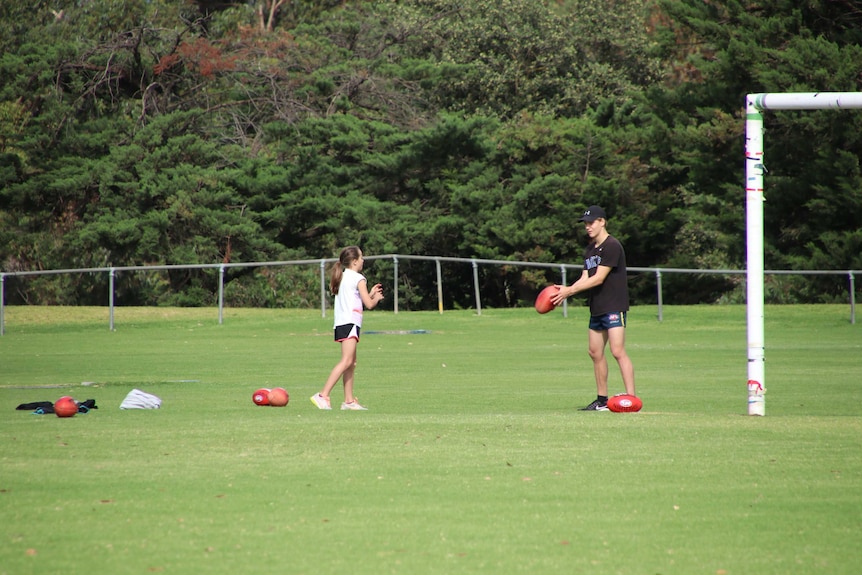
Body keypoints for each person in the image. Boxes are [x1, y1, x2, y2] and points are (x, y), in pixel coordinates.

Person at [551, 205, 636, 411]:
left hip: (614, 305)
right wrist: (567, 289)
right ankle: (602, 400)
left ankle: (632, 399)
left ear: (602, 222)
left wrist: (568, 292)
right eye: (585, 224)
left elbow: (598, 278)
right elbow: (585, 277)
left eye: (591, 222)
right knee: (594, 351)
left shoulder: (612, 246)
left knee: (617, 351)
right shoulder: (590, 250)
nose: (587, 227)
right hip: (597, 307)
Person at [311, 246, 384, 411]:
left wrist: (370, 293)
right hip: (350, 323)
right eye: (362, 258)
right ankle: (323, 395)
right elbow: (369, 304)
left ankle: (349, 401)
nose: (363, 260)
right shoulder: (359, 278)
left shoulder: (343, 276)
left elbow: (357, 299)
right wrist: (376, 298)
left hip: (343, 323)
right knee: (346, 361)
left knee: (351, 362)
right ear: (355, 261)